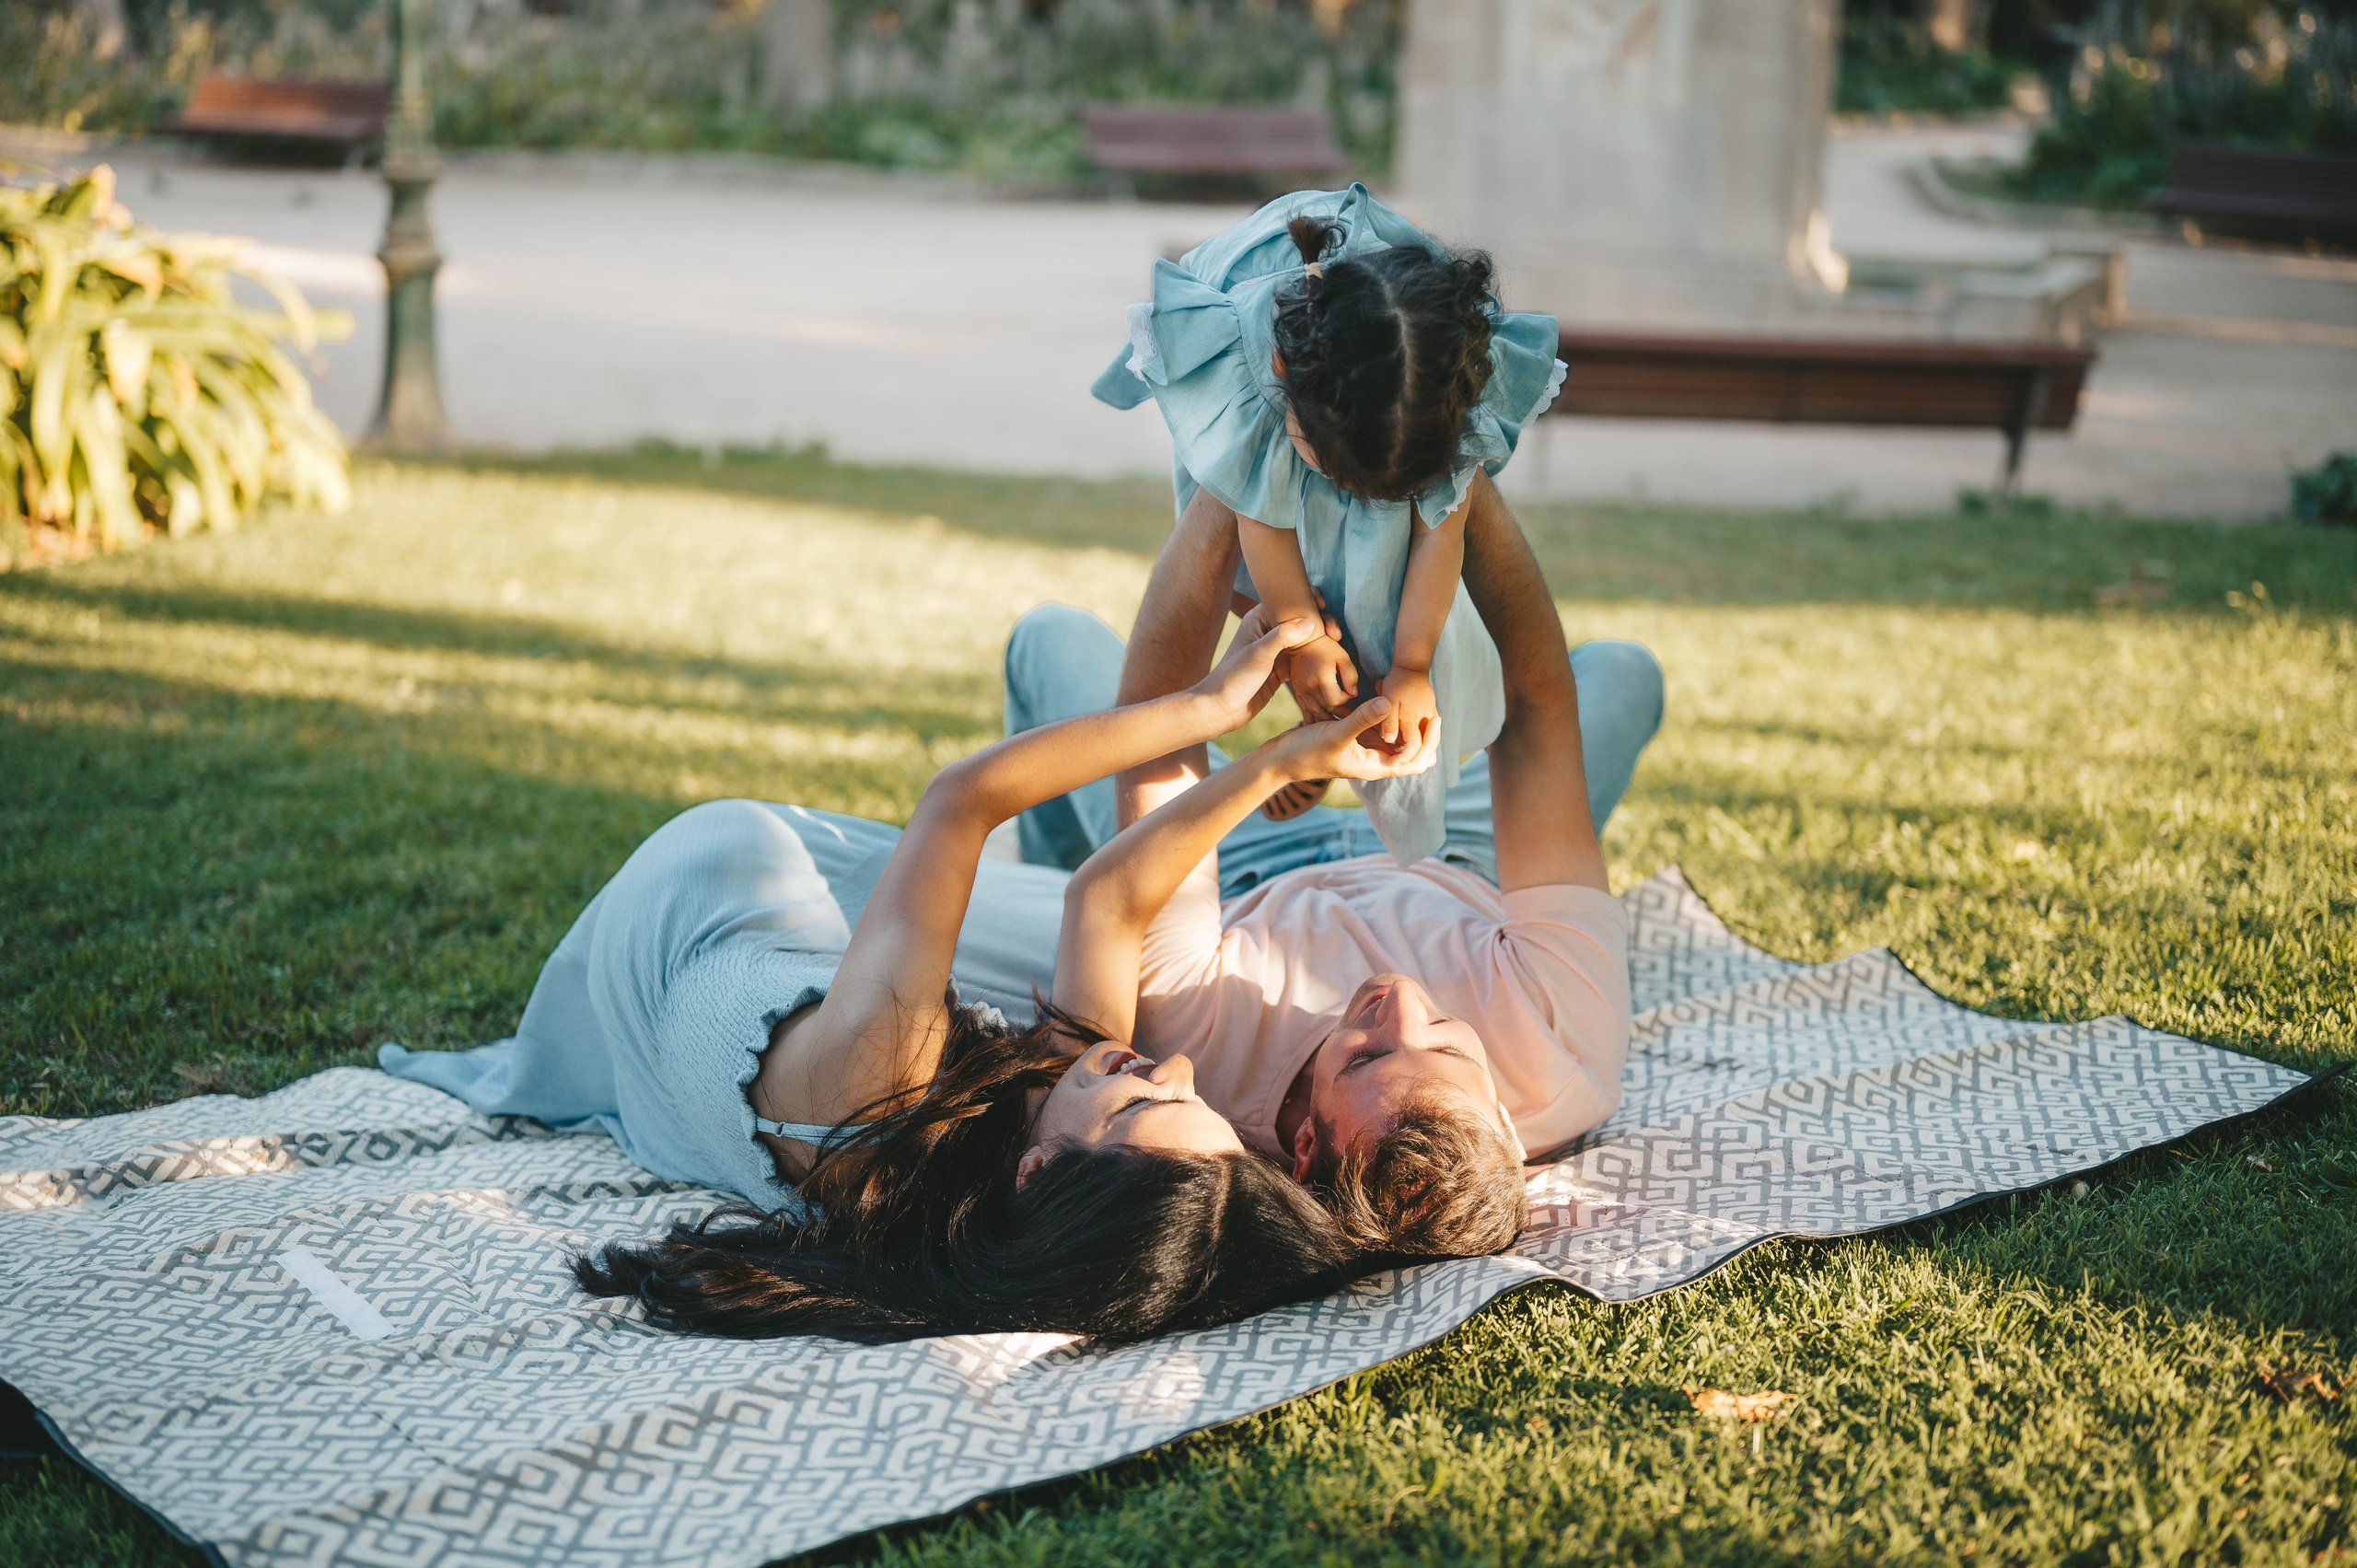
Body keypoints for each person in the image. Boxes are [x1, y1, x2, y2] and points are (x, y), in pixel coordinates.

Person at [379, 616, 1402, 1346]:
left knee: (959, 904)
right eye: (1192, 1098)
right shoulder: (996, 1173)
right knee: (1044, 927)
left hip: (705, 887)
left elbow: (958, 801)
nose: (1175, 1064)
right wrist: (1270, 763)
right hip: (779, 973)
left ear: (1042, 1177)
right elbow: (1110, 902)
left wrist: (1204, 706)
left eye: (1146, 1097)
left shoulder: (883, 1093)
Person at [1003, 470, 1663, 1260]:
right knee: (1624, 670)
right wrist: (1460, 479)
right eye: (1451, 1045)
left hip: (1246, 866)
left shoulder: (1189, 1061)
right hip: (1457, 857)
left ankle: (1053, 861)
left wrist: (1236, 477)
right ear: (1509, 1123)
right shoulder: (1566, 1048)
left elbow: (1160, 715)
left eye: (1368, 1054)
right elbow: (1536, 709)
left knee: (1048, 639)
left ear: (1307, 1147)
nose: (1402, 1000)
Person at [1091, 183, 1567, 863]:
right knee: (1276, 609)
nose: (1351, 494)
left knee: (1382, 580)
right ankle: (1311, 727)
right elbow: (1265, 513)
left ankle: (1337, 734)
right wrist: (1305, 639)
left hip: (1379, 354)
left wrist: (1410, 665)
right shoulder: (1266, 375)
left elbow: (1442, 528)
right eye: (1339, 476)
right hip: (1284, 337)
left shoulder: (1437, 390)